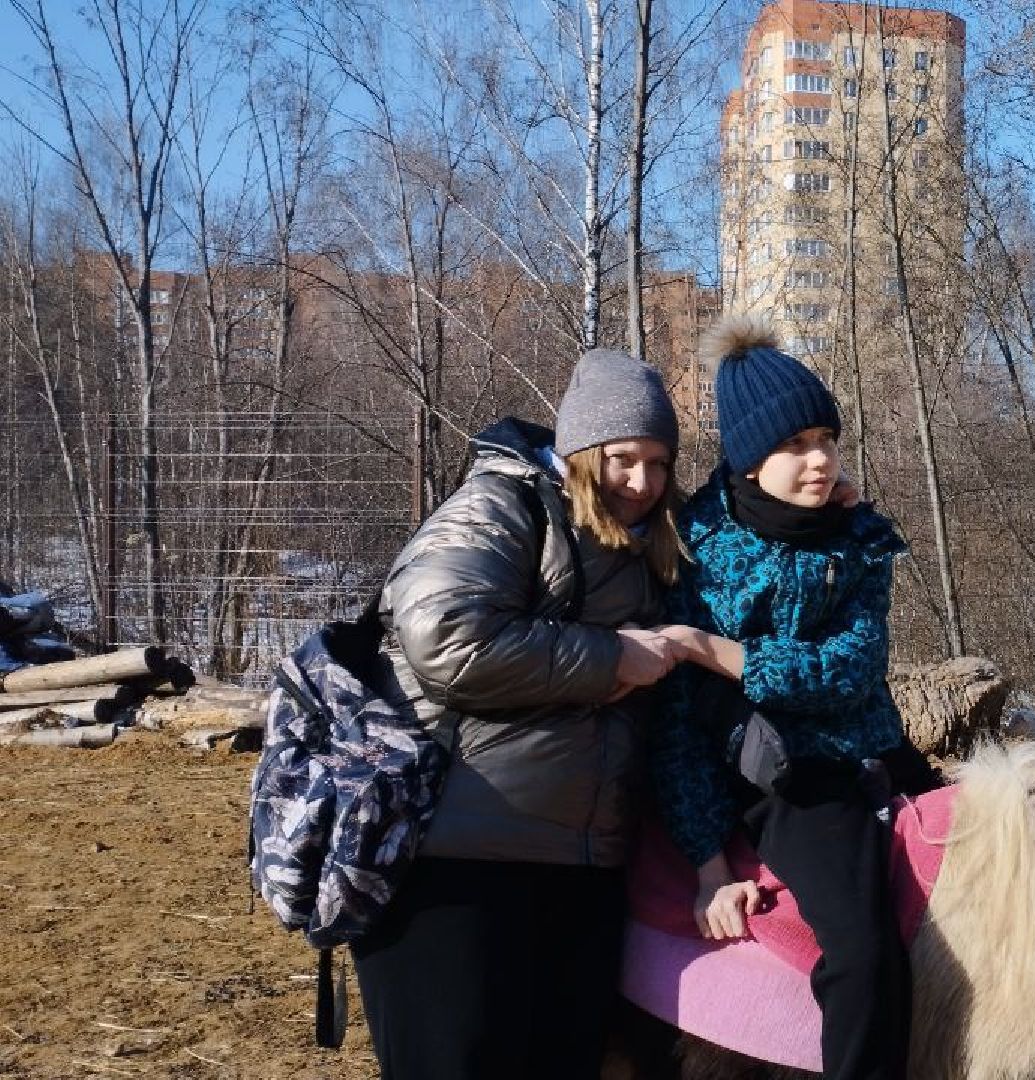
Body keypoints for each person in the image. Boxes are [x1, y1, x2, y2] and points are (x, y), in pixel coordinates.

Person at [352, 348, 691, 1080]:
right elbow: (444, 637)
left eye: (660, 463)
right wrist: (612, 658)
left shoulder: (651, 544)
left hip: (585, 867)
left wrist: (832, 509)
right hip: (456, 861)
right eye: (624, 459)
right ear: (583, 453)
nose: (643, 483)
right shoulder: (506, 505)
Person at [647, 315, 936, 1080]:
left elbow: (853, 669)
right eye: (795, 444)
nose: (819, 459)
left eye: (826, 439)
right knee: (863, 952)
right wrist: (709, 864)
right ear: (749, 459)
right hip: (785, 776)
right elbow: (677, 725)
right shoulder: (694, 551)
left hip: (879, 745)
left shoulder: (858, 537)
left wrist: (722, 654)